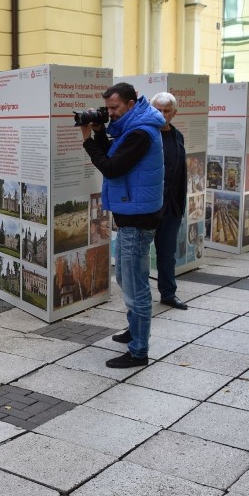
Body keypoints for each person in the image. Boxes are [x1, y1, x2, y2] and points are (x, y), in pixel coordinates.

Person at [81, 82, 164, 368]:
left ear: (131, 104)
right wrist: (100, 133)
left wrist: (87, 141)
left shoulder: (140, 133)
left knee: (134, 285)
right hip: (134, 214)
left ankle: (139, 351)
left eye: (115, 108)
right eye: (108, 108)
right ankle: (134, 330)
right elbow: (116, 155)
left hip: (137, 220)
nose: (110, 113)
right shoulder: (133, 126)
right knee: (126, 279)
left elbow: (112, 167)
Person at [150, 92, 188, 310]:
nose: (162, 115)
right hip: (151, 205)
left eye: (166, 111)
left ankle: (168, 293)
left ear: (175, 113)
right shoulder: (147, 134)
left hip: (172, 205)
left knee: (167, 253)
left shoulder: (177, 136)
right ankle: (139, 296)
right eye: (158, 110)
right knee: (141, 253)